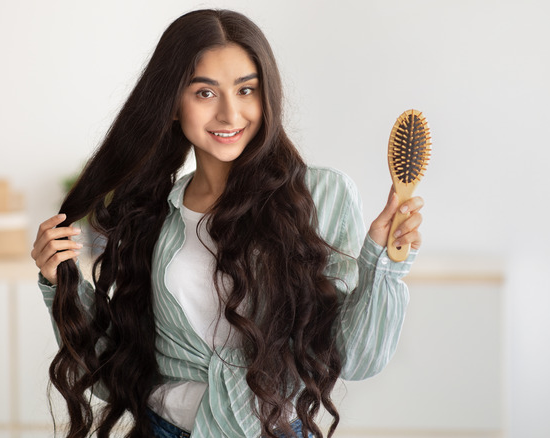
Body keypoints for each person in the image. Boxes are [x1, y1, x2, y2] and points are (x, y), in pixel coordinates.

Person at [31, 9, 423, 438]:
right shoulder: (152, 214)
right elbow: (115, 373)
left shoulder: (320, 196)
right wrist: (60, 283)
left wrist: (382, 264)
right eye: (204, 93)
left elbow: (354, 358)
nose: (229, 114)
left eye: (246, 90)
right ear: (172, 104)